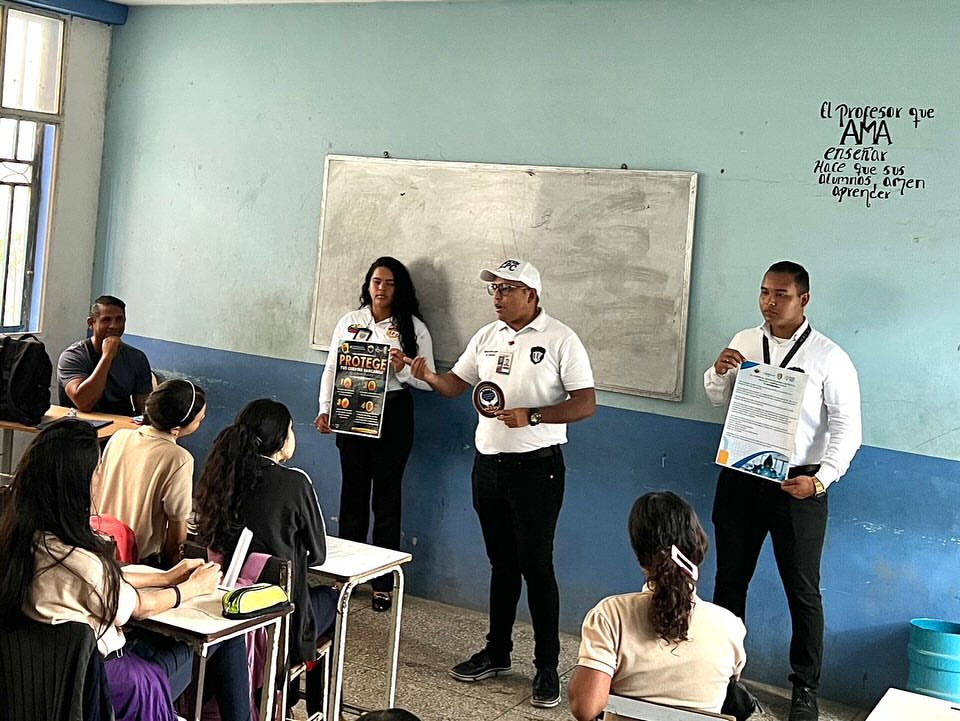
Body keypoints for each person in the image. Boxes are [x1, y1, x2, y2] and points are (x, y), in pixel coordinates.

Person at [409, 258, 596, 708]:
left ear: (531, 295)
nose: (498, 296)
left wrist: (533, 415)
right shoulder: (487, 336)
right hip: (489, 467)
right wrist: (429, 377)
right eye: (494, 288)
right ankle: (497, 652)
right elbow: (456, 384)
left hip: (537, 470)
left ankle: (547, 666)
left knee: (537, 565)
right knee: (502, 564)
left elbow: (586, 403)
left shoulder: (561, 339)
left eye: (507, 289)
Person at [0, 419, 250, 721]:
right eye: (97, 470)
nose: (100, 478)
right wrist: (191, 588)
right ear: (79, 485)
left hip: (41, 686)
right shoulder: (80, 563)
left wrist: (166, 576)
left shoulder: (20, 542)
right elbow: (137, 605)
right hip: (108, 689)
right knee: (226, 634)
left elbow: (106, 578)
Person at [704, 260, 861, 721]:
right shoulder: (744, 341)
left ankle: (805, 688)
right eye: (764, 292)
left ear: (803, 299)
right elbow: (717, 398)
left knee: (802, 590)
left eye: (781, 295)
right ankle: (724, 677)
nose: (769, 303)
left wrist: (821, 479)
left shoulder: (829, 357)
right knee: (730, 579)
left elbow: (848, 428)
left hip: (799, 485)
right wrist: (718, 372)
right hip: (741, 476)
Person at [196, 399, 337, 717]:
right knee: (332, 599)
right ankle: (320, 709)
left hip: (222, 602)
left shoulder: (220, 474)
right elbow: (317, 555)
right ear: (282, 439)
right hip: (276, 615)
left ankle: (287, 699)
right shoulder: (294, 482)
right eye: (291, 430)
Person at [314, 256, 435, 612]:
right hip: (352, 411)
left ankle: (382, 583)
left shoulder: (414, 328)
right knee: (351, 497)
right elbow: (332, 368)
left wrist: (403, 370)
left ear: (400, 289)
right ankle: (346, 577)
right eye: (376, 282)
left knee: (386, 500)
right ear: (368, 285)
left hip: (394, 414)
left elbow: (427, 382)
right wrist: (326, 409)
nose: (381, 289)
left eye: (389, 283)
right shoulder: (351, 322)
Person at [567, 491, 747, 721]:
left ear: (639, 554)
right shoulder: (730, 626)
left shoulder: (610, 615)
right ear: (698, 545)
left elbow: (585, 708)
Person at [95, 379, 207, 567]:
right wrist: (171, 570)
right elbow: (177, 528)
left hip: (100, 547)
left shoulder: (120, 436)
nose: (201, 422)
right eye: (200, 419)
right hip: (138, 561)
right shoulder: (179, 458)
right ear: (176, 429)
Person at [58, 295, 153, 415]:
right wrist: (107, 357)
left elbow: (144, 409)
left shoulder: (137, 358)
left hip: (120, 424)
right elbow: (84, 403)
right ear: (91, 323)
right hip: (79, 424)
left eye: (119, 319)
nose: (114, 326)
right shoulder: (73, 356)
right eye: (106, 320)